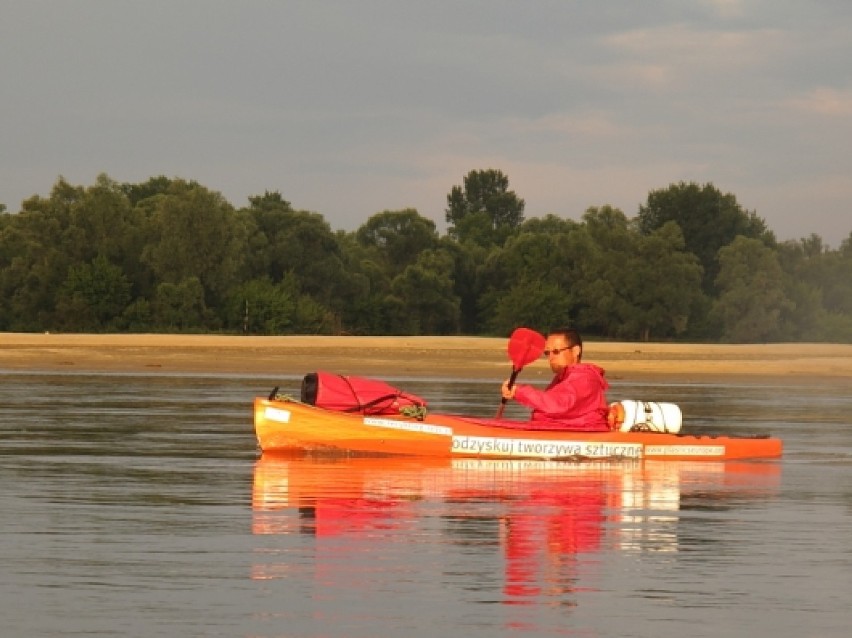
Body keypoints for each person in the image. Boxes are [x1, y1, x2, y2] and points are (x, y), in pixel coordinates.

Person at [501, 328, 610, 431]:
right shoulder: (563, 377)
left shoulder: (584, 378)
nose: (551, 358)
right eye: (547, 353)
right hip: (556, 431)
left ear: (576, 351)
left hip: (580, 435)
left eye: (556, 351)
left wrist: (518, 391)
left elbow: (557, 404)